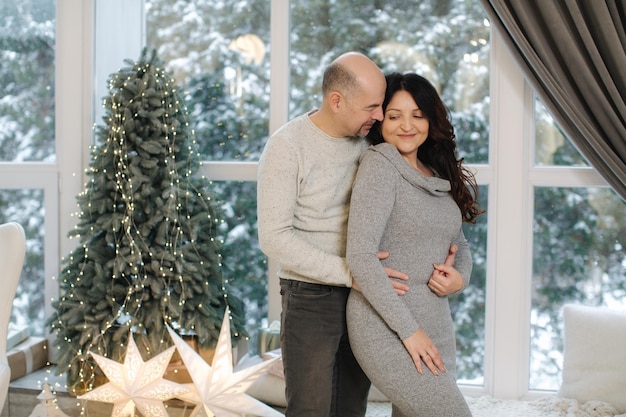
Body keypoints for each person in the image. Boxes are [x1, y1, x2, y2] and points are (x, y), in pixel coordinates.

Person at [257, 52, 411, 417]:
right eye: (371, 107)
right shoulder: (287, 146)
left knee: (351, 407)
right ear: (336, 101)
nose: (379, 115)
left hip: (365, 293)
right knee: (310, 408)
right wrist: (351, 273)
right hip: (310, 296)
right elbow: (274, 237)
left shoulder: (371, 141)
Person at [346, 72, 483, 417]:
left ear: (430, 120)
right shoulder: (380, 166)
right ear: (381, 121)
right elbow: (360, 256)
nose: (406, 125)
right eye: (394, 116)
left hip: (436, 320)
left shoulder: (434, 172)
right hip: (387, 325)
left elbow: (459, 244)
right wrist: (410, 332)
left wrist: (460, 278)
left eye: (417, 115)